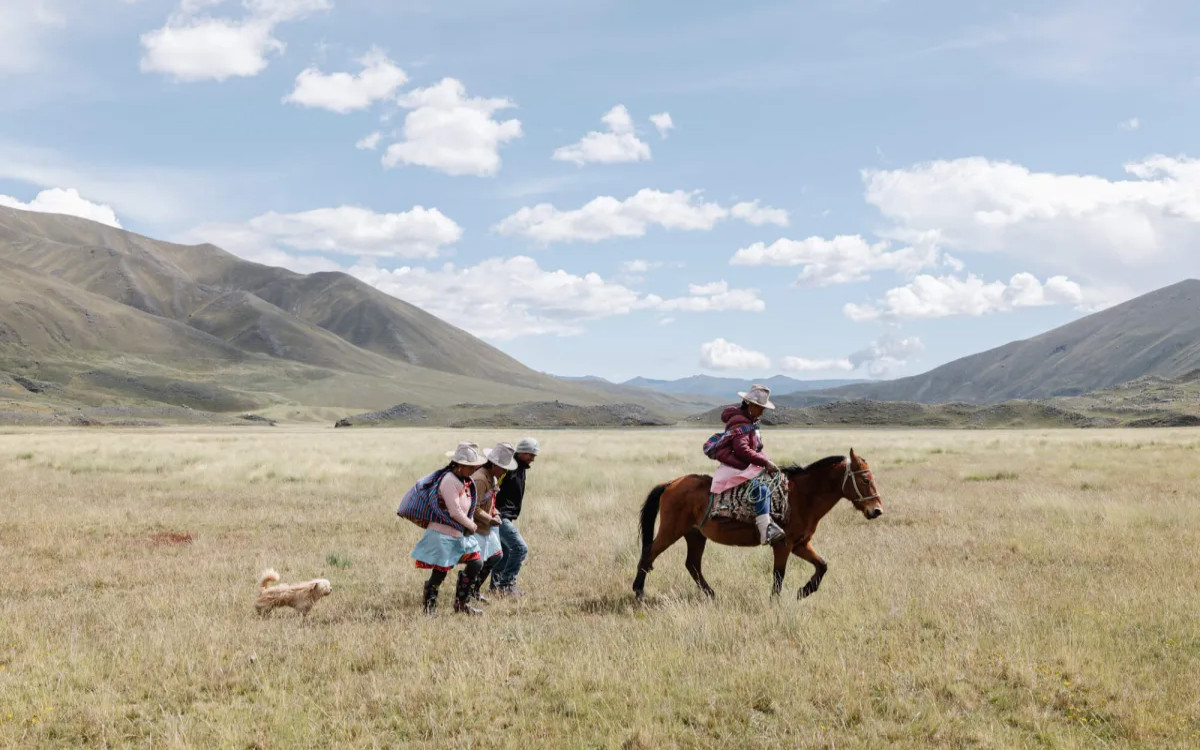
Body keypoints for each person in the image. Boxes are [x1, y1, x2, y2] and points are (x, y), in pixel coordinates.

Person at [410, 441, 487, 615]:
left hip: (458, 533)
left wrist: (468, 525)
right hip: (442, 534)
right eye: (470, 466)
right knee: (440, 572)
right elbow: (455, 511)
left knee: (476, 562)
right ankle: (429, 608)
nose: (474, 469)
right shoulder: (449, 481)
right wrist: (472, 525)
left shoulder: (464, 480)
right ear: (459, 465)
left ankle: (461, 604)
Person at [710, 384, 785, 545]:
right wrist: (764, 461)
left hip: (743, 463)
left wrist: (765, 460)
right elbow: (741, 449)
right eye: (760, 408)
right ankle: (766, 531)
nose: (762, 412)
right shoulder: (741, 423)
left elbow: (754, 448)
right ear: (751, 405)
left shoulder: (749, 421)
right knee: (762, 489)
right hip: (736, 465)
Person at [488, 436, 538, 596]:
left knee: (505, 552)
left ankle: (496, 587)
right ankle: (507, 586)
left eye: (534, 455)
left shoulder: (520, 468)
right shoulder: (508, 467)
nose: (532, 458)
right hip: (498, 515)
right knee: (519, 548)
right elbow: (493, 487)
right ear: (521, 452)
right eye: (530, 454)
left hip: (504, 515)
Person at [467, 442, 517, 603]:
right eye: (503, 467)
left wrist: (494, 513)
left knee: (496, 556)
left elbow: (488, 503)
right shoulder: (481, 479)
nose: (505, 471)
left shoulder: (492, 477)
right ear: (494, 464)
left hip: (485, 526)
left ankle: (474, 590)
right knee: (476, 563)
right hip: (476, 527)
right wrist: (490, 518)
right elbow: (473, 508)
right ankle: (465, 595)